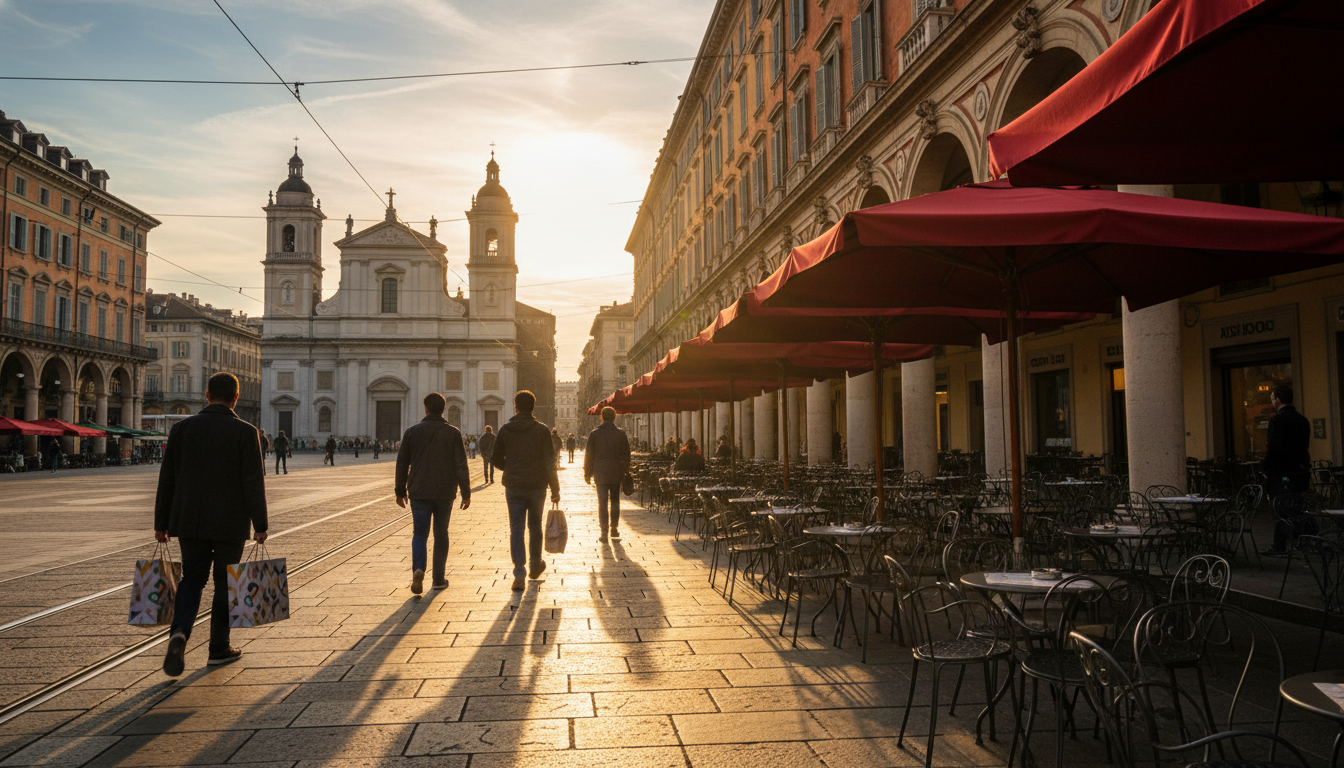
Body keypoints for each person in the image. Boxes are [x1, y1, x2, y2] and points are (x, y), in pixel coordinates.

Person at [155, 372, 267, 676]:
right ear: (236, 398)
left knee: (192, 579)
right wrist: (260, 523)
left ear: (206, 396)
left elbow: (168, 479)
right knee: (225, 582)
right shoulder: (246, 432)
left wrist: (161, 522)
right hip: (231, 521)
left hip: (189, 519)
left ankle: (179, 633)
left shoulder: (181, 429)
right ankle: (218, 648)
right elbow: (253, 482)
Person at [396, 393, 472, 593]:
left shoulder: (412, 432)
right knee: (441, 534)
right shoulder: (453, 433)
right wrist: (466, 492)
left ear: (426, 409)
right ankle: (438, 579)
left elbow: (402, 463)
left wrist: (399, 490)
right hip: (444, 491)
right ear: (443, 409)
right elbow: (461, 465)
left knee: (419, 533)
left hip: (419, 491)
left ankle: (419, 568)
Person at [490, 390, 561, 591]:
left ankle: (519, 573)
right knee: (535, 527)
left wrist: (510, 467)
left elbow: (495, 458)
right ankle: (535, 565)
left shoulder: (505, 429)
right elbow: (550, 462)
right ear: (533, 407)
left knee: (516, 529)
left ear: (515, 407)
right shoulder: (542, 430)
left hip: (513, 486)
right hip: (537, 486)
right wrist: (555, 488)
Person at [1260, 384, 1313, 557]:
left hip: (1281, 472)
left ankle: (1280, 544)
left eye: (1272, 398)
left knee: (1281, 507)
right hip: (1299, 471)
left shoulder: (1278, 420)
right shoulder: (1302, 420)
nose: (1272, 401)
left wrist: (1265, 466)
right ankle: (1304, 539)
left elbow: (1275, 448)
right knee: (1297, 505)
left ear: (1279, 399)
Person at [585, 407, 630, 543]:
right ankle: (614, 528)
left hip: (600, 473)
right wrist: (625, 470)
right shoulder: (621, 434)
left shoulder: (594, 434)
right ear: (614, 417)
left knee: (602, 502)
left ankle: (604, 531)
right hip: (616, 472)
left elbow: (589, 455)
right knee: (615, 501)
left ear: (602, 417)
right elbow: (627, 455)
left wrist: (587, 473)